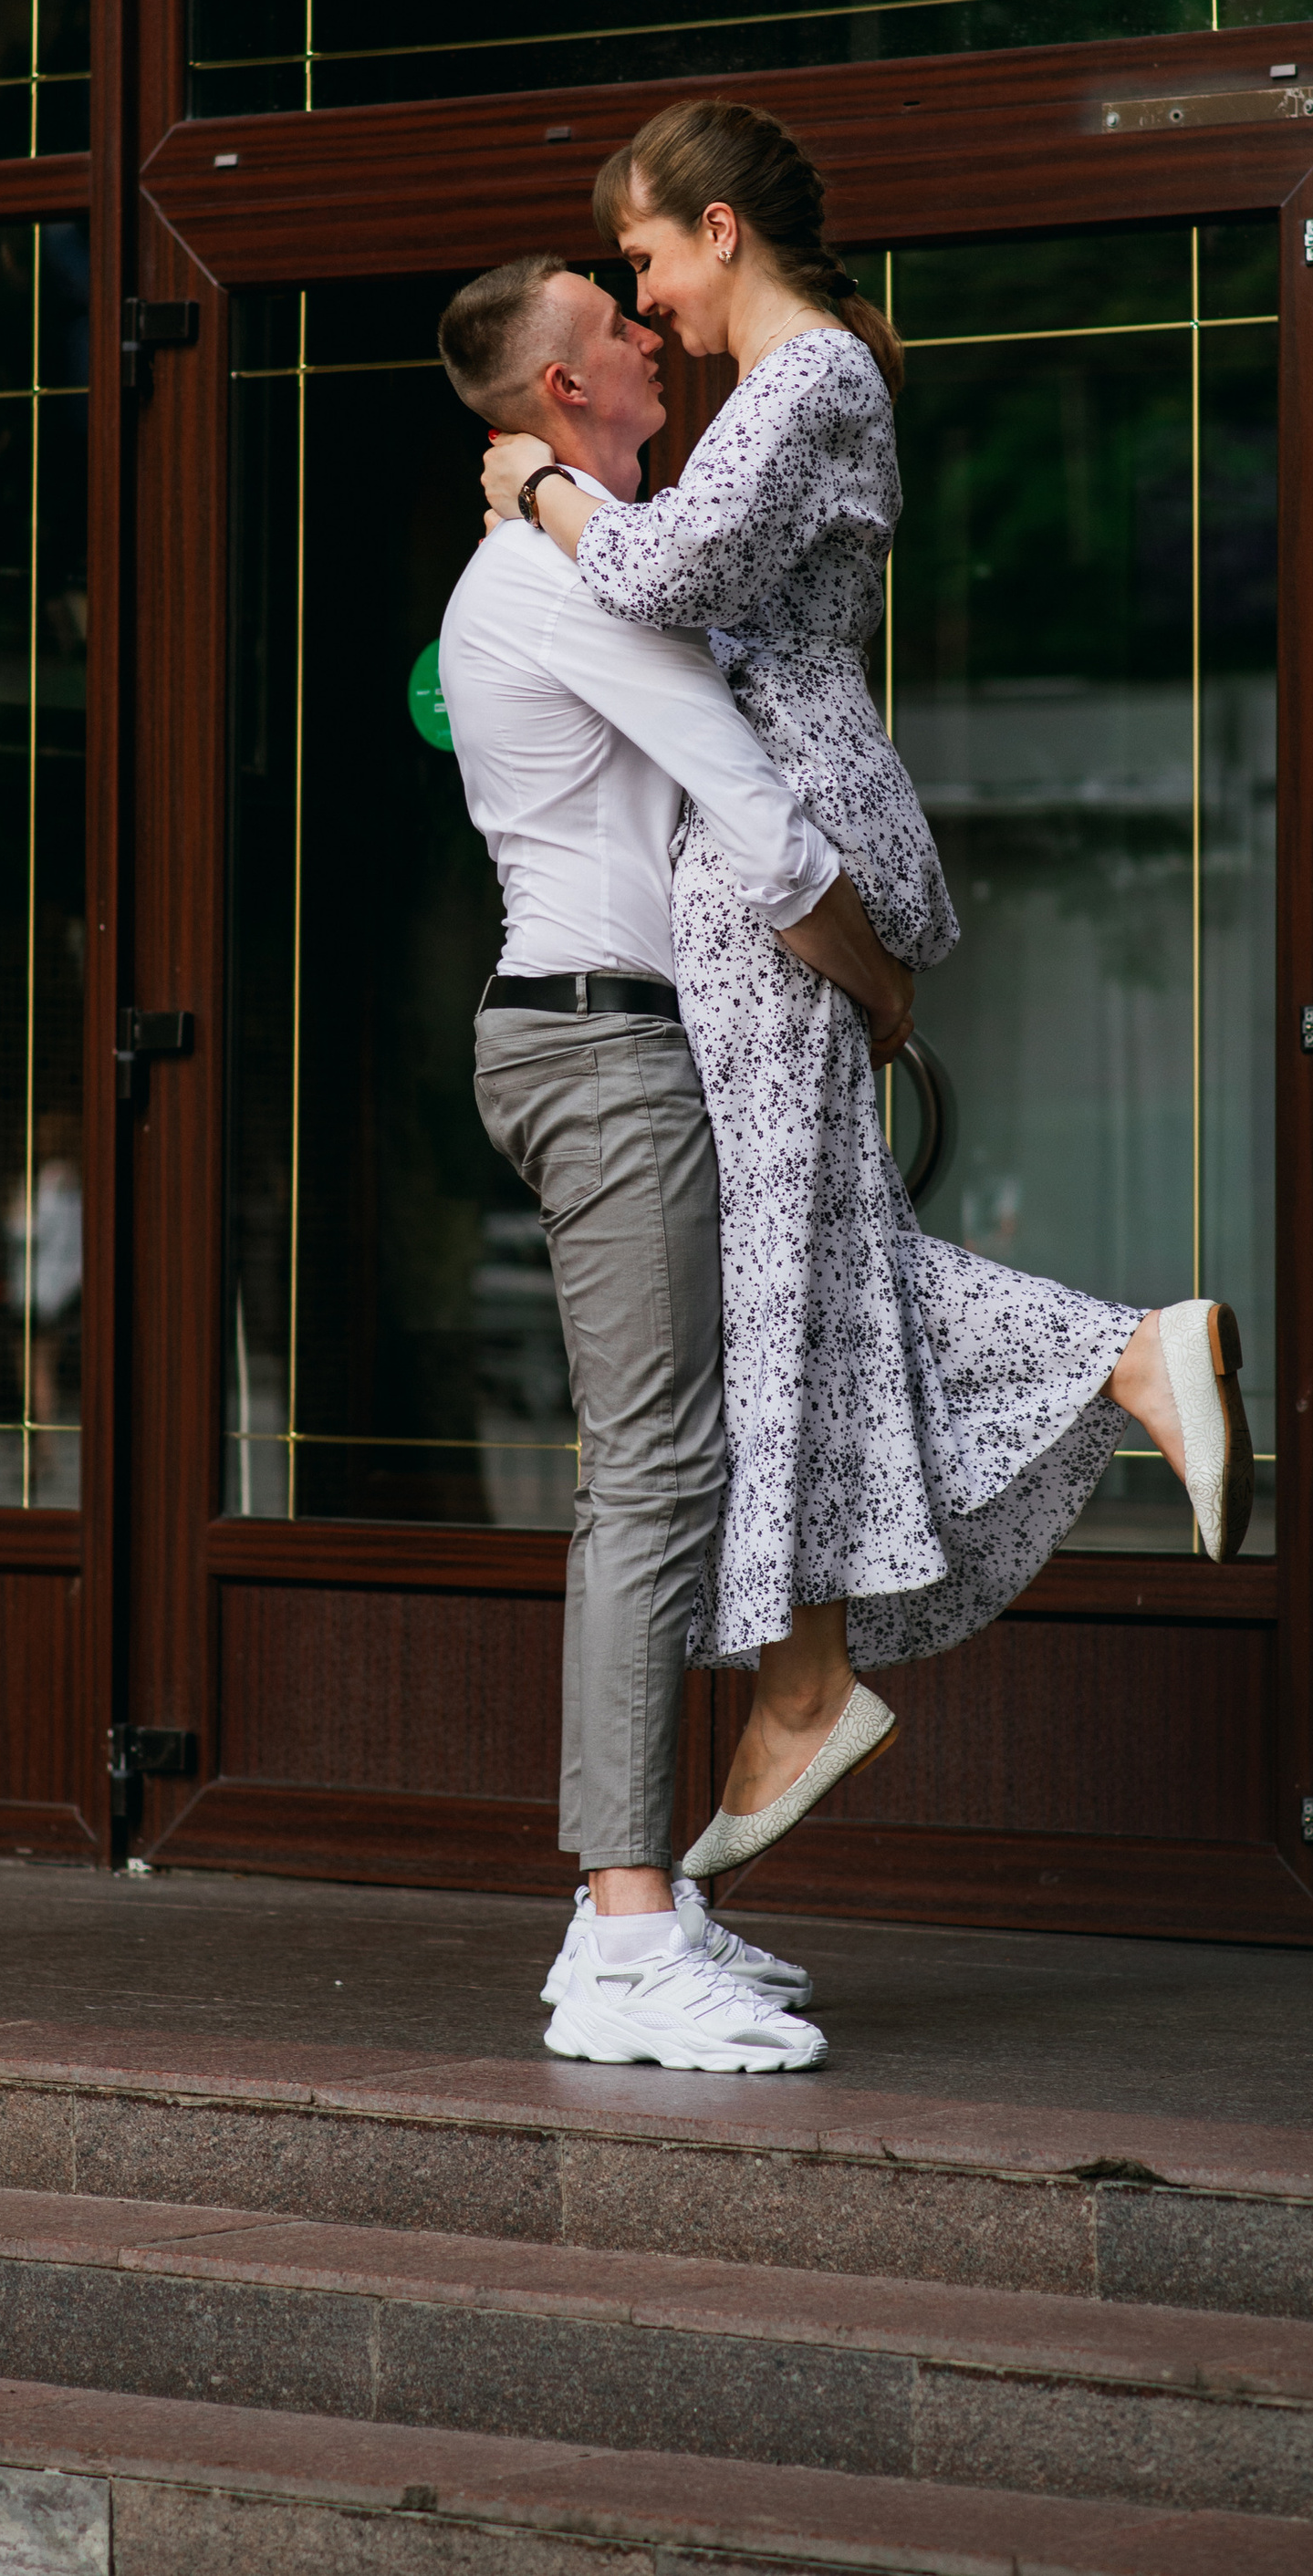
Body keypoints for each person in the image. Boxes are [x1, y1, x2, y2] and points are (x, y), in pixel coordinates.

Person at [479, 98, 1251, 1889]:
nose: (640, 296)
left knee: (779, 1265)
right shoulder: (792, 389)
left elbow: (662, 580)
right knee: (791, 1261)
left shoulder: (809, 380)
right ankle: (824, 1661)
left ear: (722, 230)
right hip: (767, 842)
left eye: (648, 254)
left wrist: (531, 478)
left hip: (778, 846)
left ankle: (1079, 1405)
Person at [436, 248, 910, 2072]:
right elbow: (761, 821)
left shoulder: (582, 551)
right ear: (567, 391)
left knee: (675, 1462)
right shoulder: (546, 590)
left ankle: (636, 1911)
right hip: (601, 1044)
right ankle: (622, 1928)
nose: (649, 333)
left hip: (634, 1042)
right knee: (648, 1473)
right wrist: (878, 993)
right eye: (615, 324)